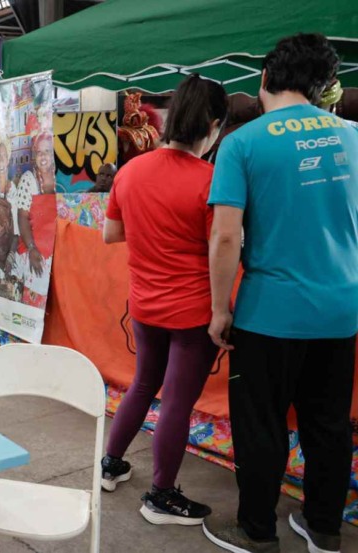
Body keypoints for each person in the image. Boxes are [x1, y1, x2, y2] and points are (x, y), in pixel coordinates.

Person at [203, 34, 358, 553]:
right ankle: (324, 529)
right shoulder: (353, 136)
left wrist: (219, 309)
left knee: (262, 424)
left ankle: (256, 530)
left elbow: (226, 236)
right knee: (330, 426)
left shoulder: (243, 143)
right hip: (341, 310)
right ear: (320, 87)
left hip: (270, 314)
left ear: (265, 78)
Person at [100, 74, 227, 527]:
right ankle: (161, 496)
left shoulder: (131, 170)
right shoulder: (211, 180)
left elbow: (111, 233)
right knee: (176, 401)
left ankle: (111, 464)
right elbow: (223, 247)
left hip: (145, 305)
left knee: (141, 384)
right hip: (193, 312)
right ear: (213, 125)